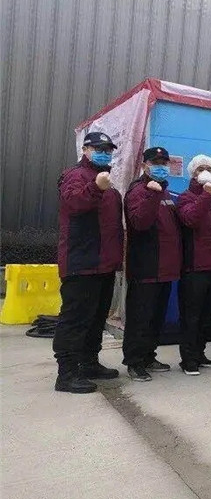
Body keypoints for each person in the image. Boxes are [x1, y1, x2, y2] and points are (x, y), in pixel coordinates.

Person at [53, 132, 123, 393]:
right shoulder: (75, 175)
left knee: (96, 318)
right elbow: (73, 203)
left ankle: (89, 362)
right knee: (75, 319)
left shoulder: (108, 183)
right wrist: (96, 187)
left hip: (104, 264)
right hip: (81, 262)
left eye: (108, 150)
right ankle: (67, 373)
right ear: (85, 149)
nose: (104, 153)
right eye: (99, 148)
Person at [122, 147, 182, 381]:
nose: (161, 167)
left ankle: (148, 355)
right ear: (144, 165)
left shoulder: (165, 192)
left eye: (164, 163)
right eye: (156, 163)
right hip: (146, 267)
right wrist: (153, 195)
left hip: (165, 268)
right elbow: (140, 222)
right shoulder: (139, 190)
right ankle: (134, 361)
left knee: (156, 317)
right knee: (140, 318)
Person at [176, 155, 211, 376]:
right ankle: (188, 359)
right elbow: (191, 219)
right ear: (193, 173)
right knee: (191, 316)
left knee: (208, 316)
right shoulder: (185, 197)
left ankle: (200, 352)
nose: (205, 172)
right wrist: (206, 196)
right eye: (200, 169)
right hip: (194, 267)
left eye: (208, 168)